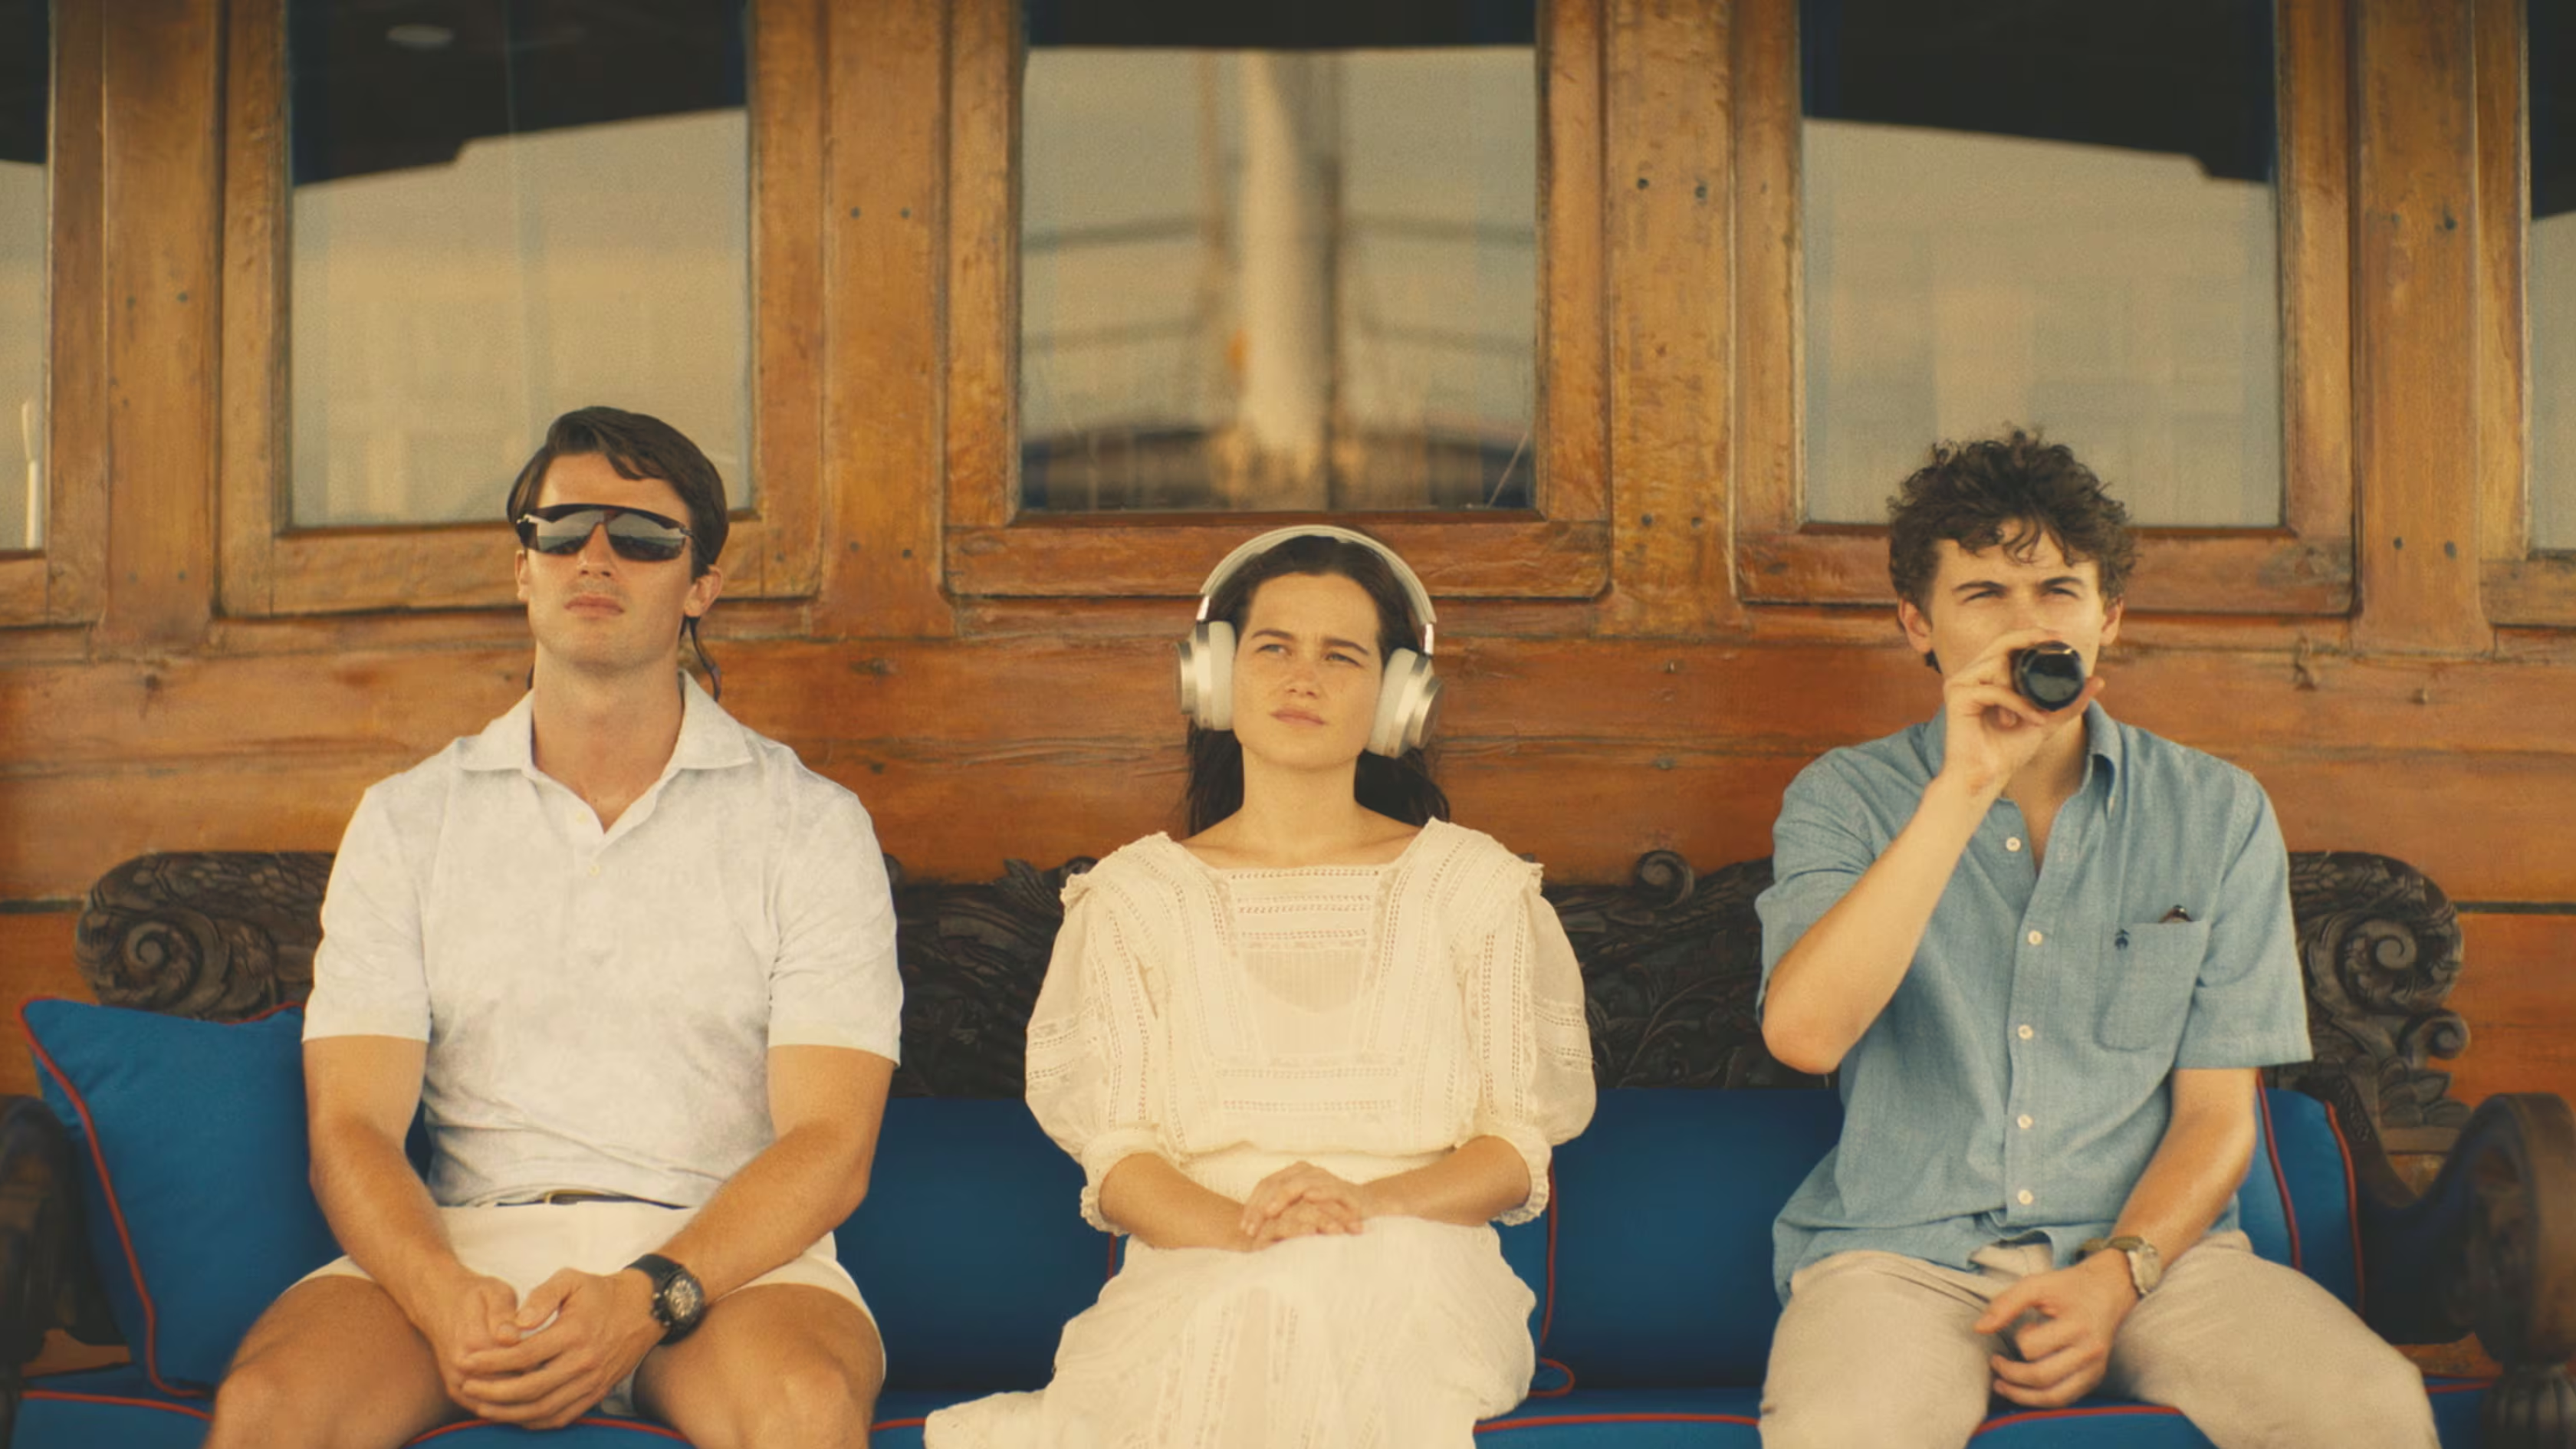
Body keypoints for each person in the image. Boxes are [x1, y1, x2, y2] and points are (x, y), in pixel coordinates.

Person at [204, 406, 903, 1449]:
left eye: (646, 537)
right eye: (563, 529)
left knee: (802, 1410)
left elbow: (831, 1145)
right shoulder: (409, 820)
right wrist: (441, 1295)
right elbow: (351, 1127)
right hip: (464, 1247)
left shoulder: (808, 824)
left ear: (702, 584)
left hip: (722, 1269)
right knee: (267, 1411)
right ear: (523, 567)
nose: (596, 557)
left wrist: (651, 1295)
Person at [1753, 431, 2437, 1447]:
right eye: (1983, 593)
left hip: (2157, 1260)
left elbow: (2218, 1117)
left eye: (2058, 590)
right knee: (1840, 1430)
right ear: (1918, 623)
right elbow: (1806, 1035)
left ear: (2106, 617)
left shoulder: (2215, 810)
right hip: (1904, 1261)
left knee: (2369, 1406)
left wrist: (2117, 1276)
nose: (2026, 624)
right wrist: (1965, 786)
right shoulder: (1844, 798)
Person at [925, 526, 1596, 1448]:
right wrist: (1254, 1233)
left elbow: (1515, 1148)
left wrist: (1363, 1207)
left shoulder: (1473, 887)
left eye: (1341, 656)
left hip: (1419, 1270)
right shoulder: (1134, 898)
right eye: (1274, 648)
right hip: (1199, 1270)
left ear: (1399, 696)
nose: (1302, 679)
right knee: (1263, 1311)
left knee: (1293, 1309)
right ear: (1214, 674)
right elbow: (1120, 1164)